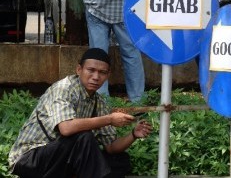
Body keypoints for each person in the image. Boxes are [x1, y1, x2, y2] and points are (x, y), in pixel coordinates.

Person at [8, 48, 154, 178]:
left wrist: (134, 134)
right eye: (91, 70)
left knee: (120, 160)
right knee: (84, 137)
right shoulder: (64, 89)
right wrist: (109, 119)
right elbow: (66, 129)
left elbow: (111, 147)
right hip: (30, 159)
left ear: (108, 75)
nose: (96, 77)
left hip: (61, 158)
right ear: (79, 70)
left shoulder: (98, 102)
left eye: (102, 72)